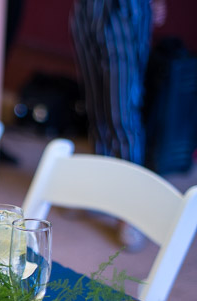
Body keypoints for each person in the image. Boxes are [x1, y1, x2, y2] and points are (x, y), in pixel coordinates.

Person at [70, 0, 167, 251]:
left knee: (121, 111)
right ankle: (102, 191)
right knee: (96, 107)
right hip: (87, 8)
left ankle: (131, 211)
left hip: (124, 9)